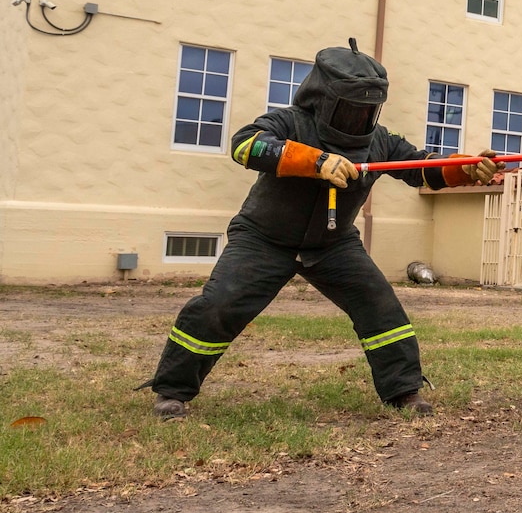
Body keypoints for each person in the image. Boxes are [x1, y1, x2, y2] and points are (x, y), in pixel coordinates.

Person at [141, 41, 501, 420]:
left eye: (367, 108)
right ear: (325, 98)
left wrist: (464, 168)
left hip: (334, 245)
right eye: (351, 107)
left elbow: (420, 167)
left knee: (381, 308)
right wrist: (314, 160)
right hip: (263, 238)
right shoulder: (290, 122)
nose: (359, 115)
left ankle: (403, 392)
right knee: (218, 306)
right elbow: (245, 145)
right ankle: (172, 391)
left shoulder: (379, 142)